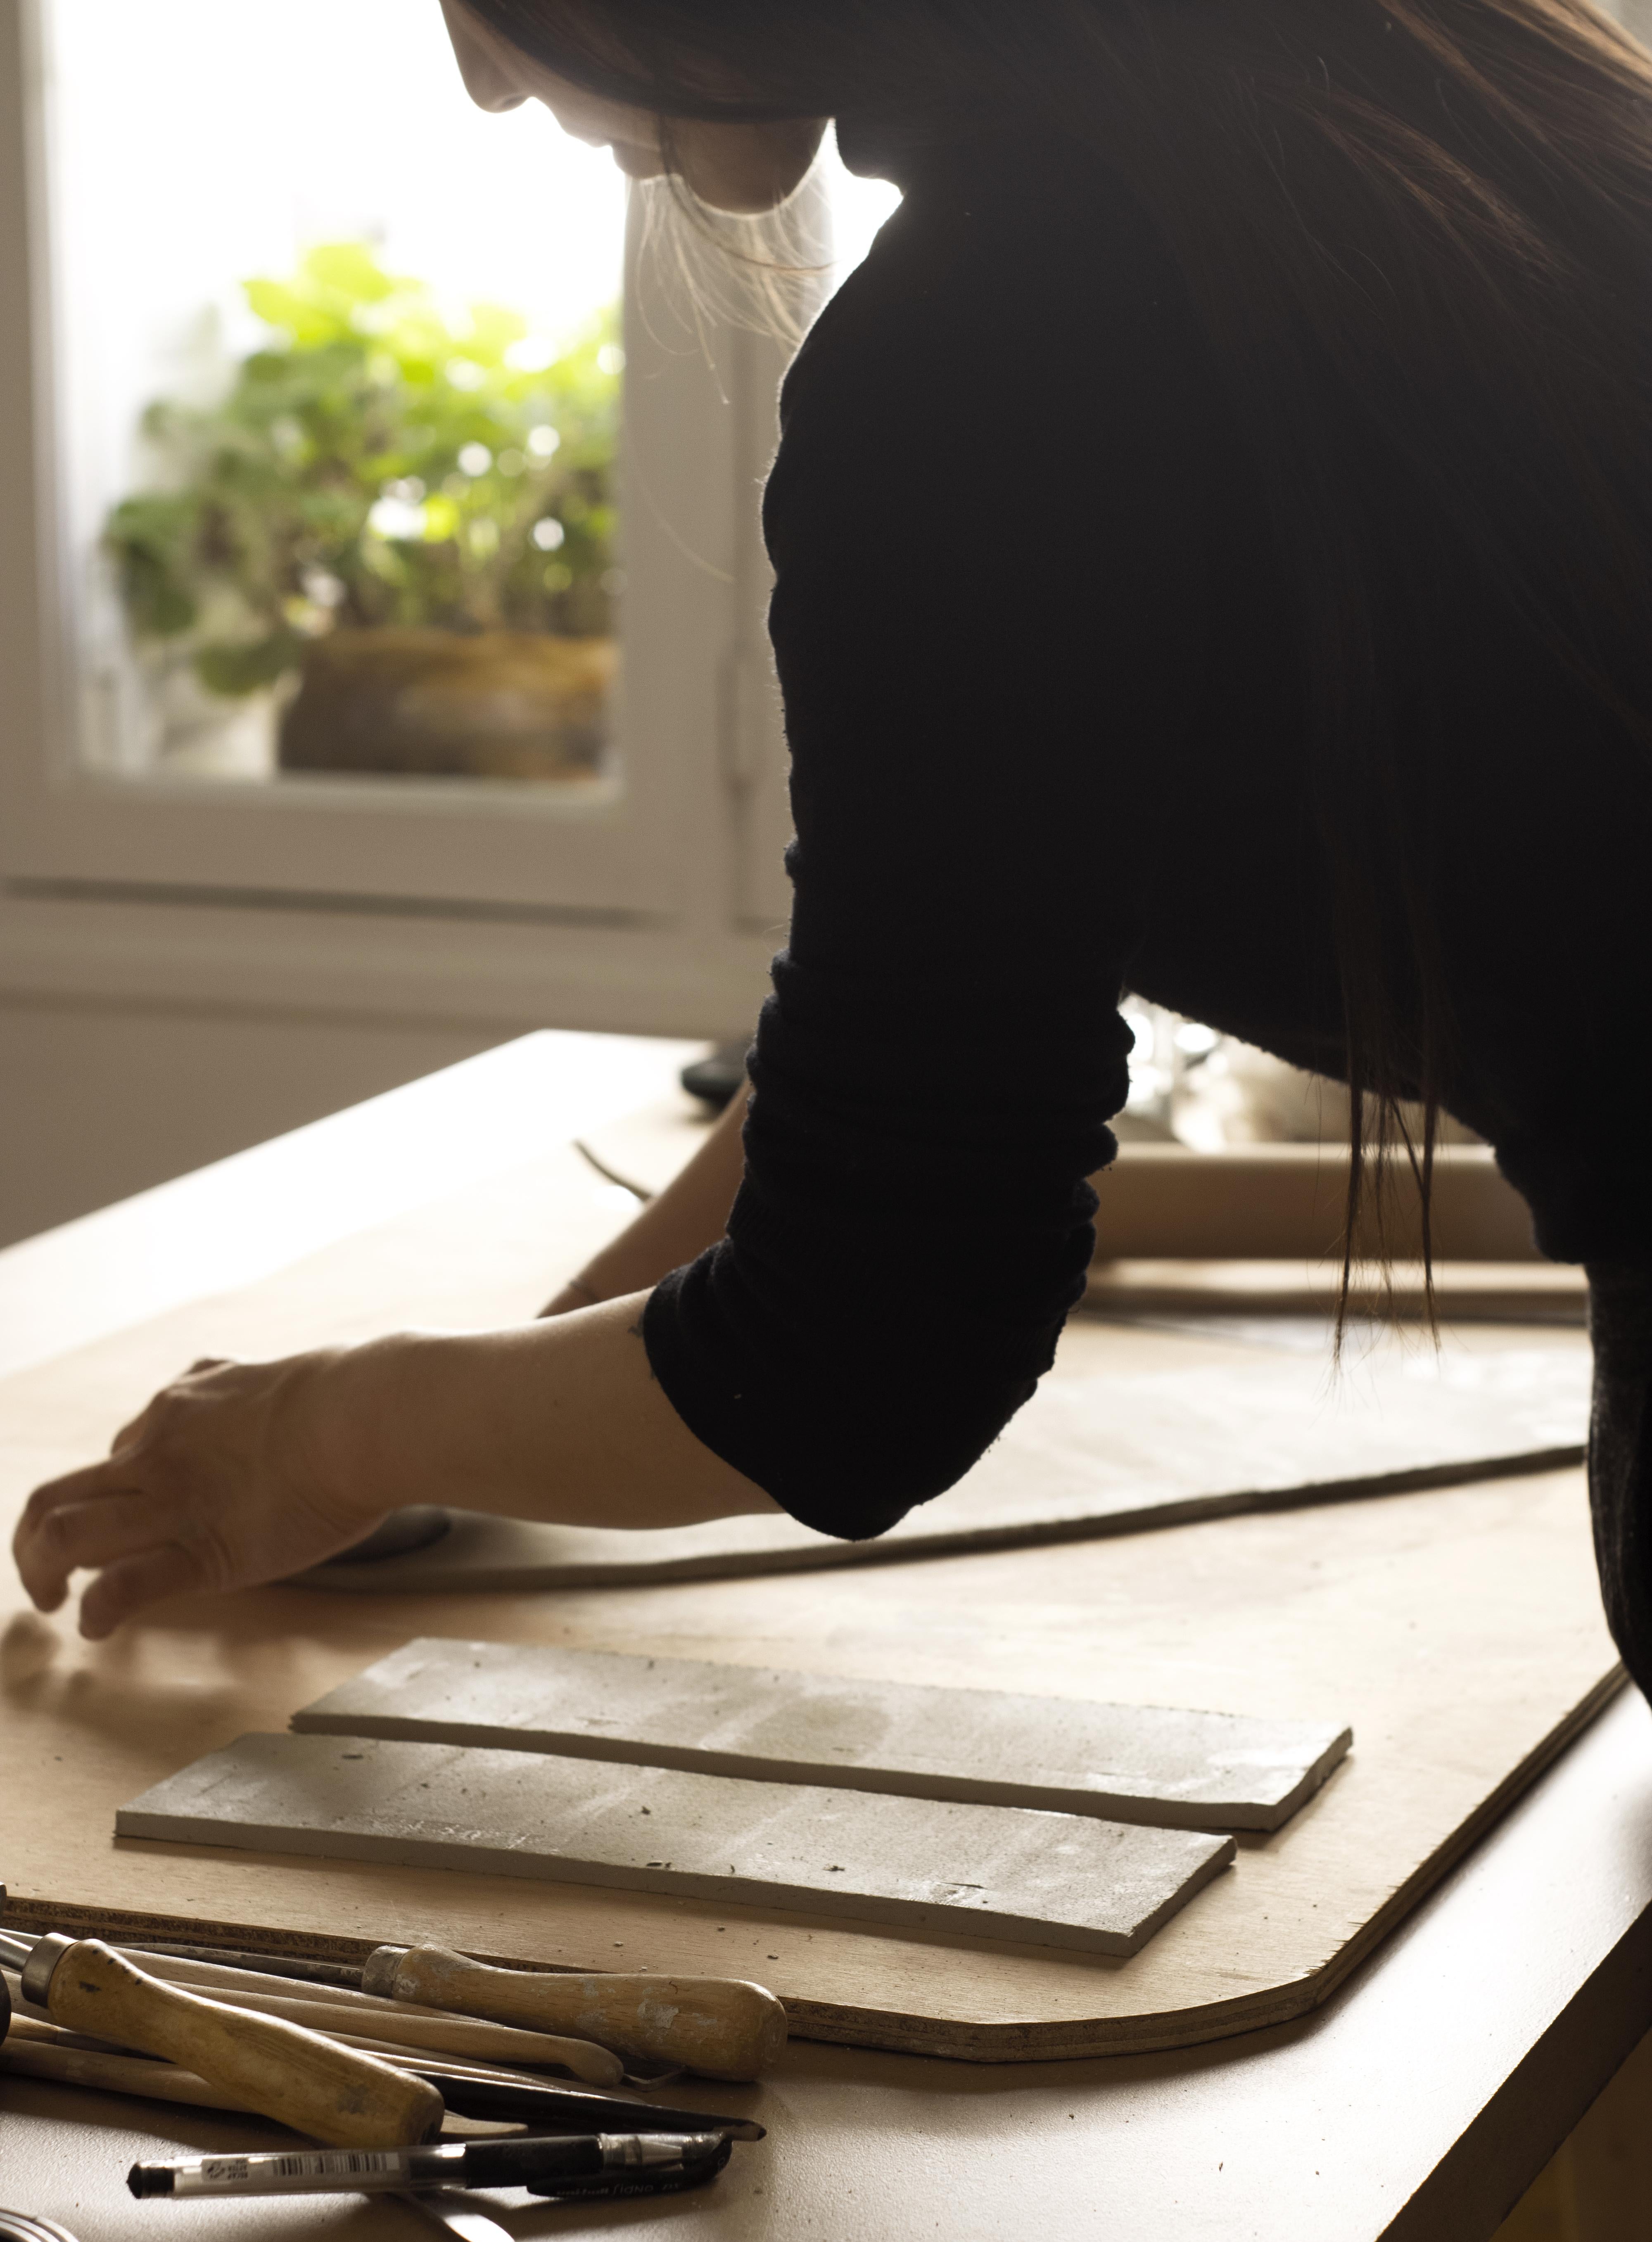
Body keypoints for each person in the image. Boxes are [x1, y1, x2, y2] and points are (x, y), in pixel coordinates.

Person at [15, 0, 1652, 1690]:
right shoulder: (1405, 120)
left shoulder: (1009, 343)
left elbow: (855, 1355)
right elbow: (893, 1094)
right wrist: (447, 1424)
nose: (482, 75)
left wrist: (328, 1429)